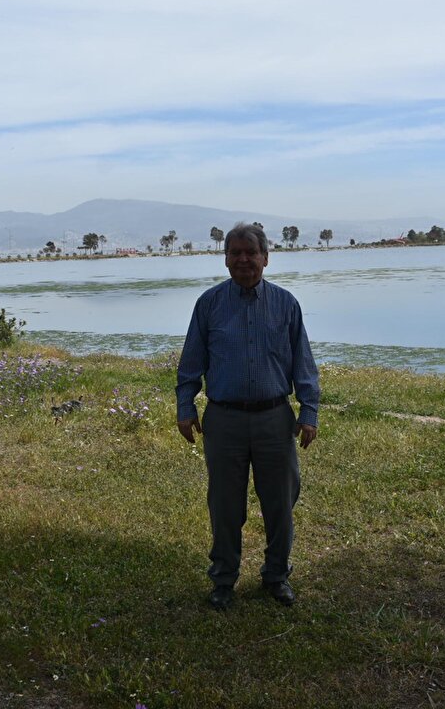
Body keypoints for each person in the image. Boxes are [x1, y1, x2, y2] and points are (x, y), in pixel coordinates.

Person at [176, 222, 320, 609]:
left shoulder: (286, 304)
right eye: (235, 253)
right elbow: (191, 362)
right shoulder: (208, 304)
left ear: (265, 259)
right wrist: (185, 406)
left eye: (250, 253)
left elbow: (303, 364)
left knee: (280, 503)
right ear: (225, 259)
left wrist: (309, 411)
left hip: (275, 419)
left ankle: (276, 577)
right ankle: (223, 580)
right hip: (224, 422)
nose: (243, 260)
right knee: (225, 506)